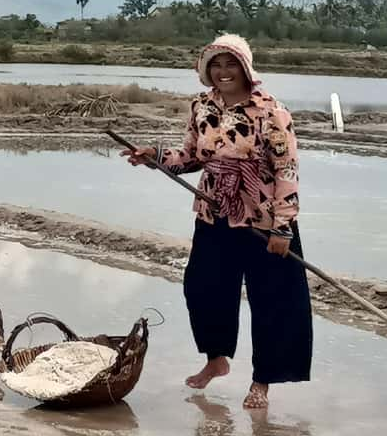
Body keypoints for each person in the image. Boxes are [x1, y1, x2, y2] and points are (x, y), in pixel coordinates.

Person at [121, 33, 311, 410]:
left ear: (246, 68)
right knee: (203, 287)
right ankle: (216, 358)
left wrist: (283, 227)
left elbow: (286, 168)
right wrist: (155, 156)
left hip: (263, 217)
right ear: (206, 71)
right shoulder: (201, 107)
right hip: (214, 212)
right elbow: (192, 157)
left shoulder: (272, 111)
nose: (223, 72)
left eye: (231, 64)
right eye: (216, 66)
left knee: (274, 300)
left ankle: (263, 381)